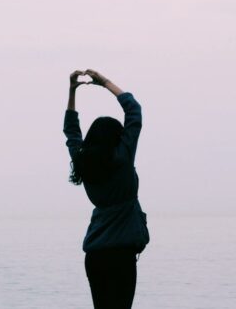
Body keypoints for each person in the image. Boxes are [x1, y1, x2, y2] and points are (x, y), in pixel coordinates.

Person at [63, 69, 150, 309]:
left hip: (95, 256)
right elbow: (134, 111)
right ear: (117, 138)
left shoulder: (83, 162)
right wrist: (106, 83)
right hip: (121, 255)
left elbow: (71, 132)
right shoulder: (122, 158)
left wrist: (72, 90)